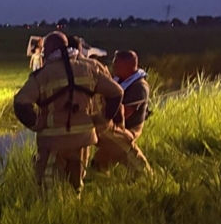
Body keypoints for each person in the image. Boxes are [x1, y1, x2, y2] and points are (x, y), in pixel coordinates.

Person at [13, 31, 123, 193]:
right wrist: (103, 118)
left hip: (53, 142)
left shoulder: (43, 75)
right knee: (76, 184)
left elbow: (21, 102)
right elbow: (117, 92)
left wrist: (36, 124)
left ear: (49, 49)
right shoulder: (89, 68)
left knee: (48, 184)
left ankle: (52, 215)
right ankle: (73, 212)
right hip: (83, 139)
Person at [90, 50, 152, 173]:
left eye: (116, 63)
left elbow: (126, 113)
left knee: (123, 149)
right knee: (102, 159)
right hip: (114, 124)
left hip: (129, 128)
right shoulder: (118, 79)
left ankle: (146, 177)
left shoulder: (140, 87)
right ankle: (98, 175)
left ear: (127, 65)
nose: (113, 66)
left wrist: (106, 123)